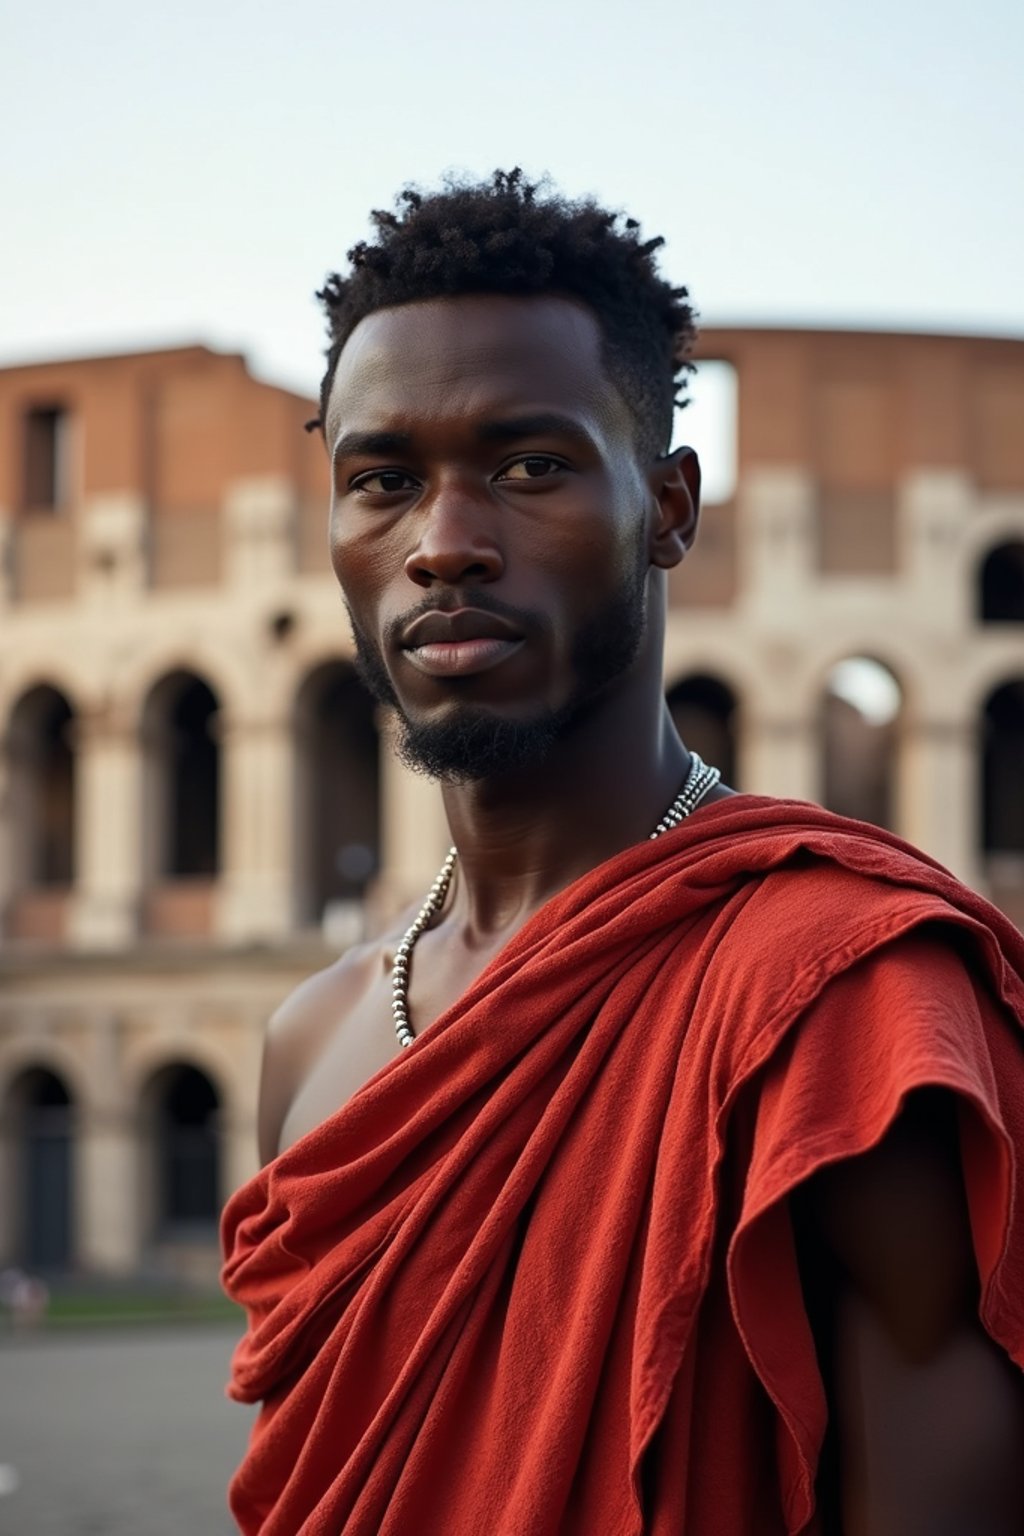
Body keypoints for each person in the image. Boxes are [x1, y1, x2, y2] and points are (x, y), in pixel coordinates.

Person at [221, 169, 1024, 1535]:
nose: (446, 545)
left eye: (529, 466)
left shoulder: (843, 994)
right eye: (382, 481)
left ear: (668, 508)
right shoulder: (313, 1038)